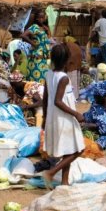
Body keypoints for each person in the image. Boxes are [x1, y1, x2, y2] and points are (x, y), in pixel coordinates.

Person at [41, 44, 85, 188]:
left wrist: (45, 118)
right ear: (67, 60)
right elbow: (58, 101)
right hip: (64, 118)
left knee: (68, 150)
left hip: (54, 117)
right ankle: (52, 172)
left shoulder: (48, 74)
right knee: (78, 150)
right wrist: (76, 113)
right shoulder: (64, 78)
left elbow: (45, 98)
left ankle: (64, 181)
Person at [22, 9, 50, 82]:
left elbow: (48, 39)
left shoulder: (44, 27)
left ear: (45, 18)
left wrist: (47, 31)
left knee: (43, 74)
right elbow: (23, 35)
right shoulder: (34, 27)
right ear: (37, 18)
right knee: (36, 74)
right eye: (40, 18)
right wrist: (32, 43)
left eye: (43, 17)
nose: (41, 19)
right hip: (36, 55)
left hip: (44, 55)